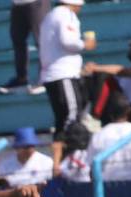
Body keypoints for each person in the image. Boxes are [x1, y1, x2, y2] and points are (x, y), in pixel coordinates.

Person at [40, 0, 95, 174]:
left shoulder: (51, 15)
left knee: (63, 119)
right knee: (71, 117)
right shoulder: (65, 14)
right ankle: (67, 158)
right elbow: (68, 41)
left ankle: (61, 159)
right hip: (62, 74)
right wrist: (85, 44)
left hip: (55, 74)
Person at [85, 94, 131, 181]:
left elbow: (91, 169)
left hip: (107, 189)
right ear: (129, 110)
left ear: (109, 112)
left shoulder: (99, 135)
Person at [0, 0, 50, 95]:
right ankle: (21, 79)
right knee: (18, 40)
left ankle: (44, 79)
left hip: (36, 2)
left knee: (42, 41)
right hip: (17, 4)